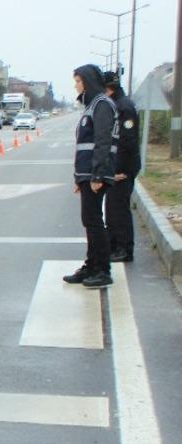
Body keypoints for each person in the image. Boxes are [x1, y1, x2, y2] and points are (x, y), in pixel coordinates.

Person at [63, 65, 116, 289]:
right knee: (89, 220)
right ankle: (91, 265)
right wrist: (80, 178)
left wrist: (96, 175)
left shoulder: (102, 105)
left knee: (94, 221)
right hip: (87, 174)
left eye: (78, 81)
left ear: (87, 81)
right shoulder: (92, 105)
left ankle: (102, 269)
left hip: (97, 173)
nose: (76, 86)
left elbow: (102, 142)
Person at [104, 71, 141, 262]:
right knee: (111, 208)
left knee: (119, 209)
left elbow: (127, 141)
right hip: (117, 167)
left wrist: (118, 170)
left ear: (107, 88)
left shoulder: (123, 106)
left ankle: (124, 249)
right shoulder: (116, 104)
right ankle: (114, 246)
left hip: (123, 169)